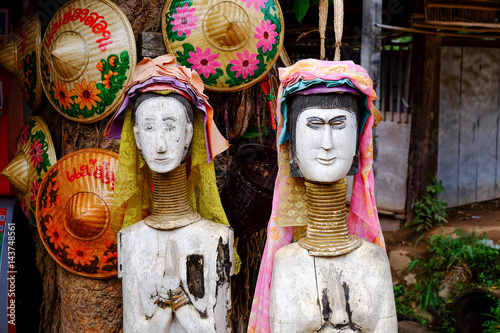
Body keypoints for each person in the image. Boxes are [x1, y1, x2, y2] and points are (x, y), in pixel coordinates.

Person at [248, 59, 396, 333]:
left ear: (358, 144)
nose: (327, 145)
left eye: (339, 124)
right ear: (291, 147)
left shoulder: (374, 261)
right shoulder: (287, 263)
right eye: (314, 124)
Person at [107, 55, 234, 333]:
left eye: (170, 126)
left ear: (188, 133)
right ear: (137, 137)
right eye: (150, 128)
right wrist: (169, 306)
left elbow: (220, 327)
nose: (161, 144)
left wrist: (179, 304)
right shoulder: (129, 240)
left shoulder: (217, 238)